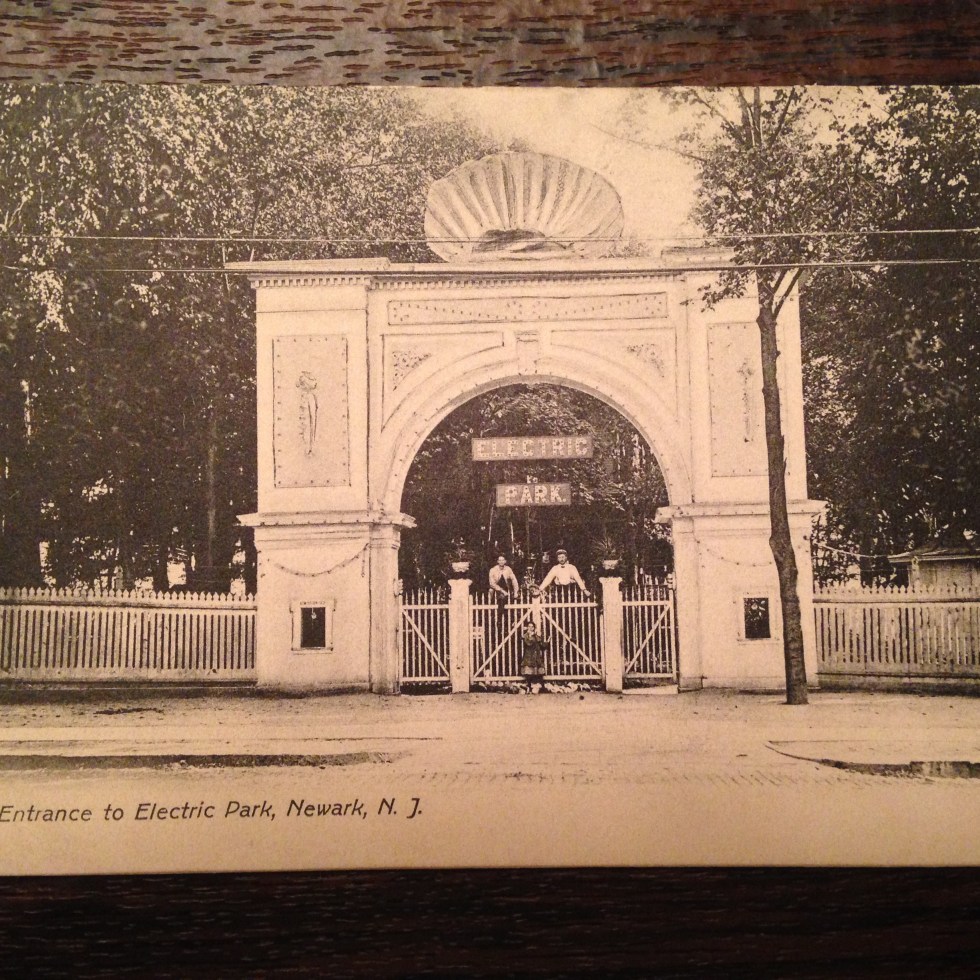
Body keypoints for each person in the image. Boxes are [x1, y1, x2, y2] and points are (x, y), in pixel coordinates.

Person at [520, 623, 548, 693]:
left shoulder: (536, 636)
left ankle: (543, 687)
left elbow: (541, 645)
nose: (531, 628)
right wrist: (530, 636)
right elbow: (528, 643)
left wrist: (547, 642)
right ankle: (529, 687)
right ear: (527, 627)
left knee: (540, 672)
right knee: (528, 673)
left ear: (534, 628)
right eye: (529, 626)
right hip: (529, 656)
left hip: (536, 656)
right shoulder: (525, 636)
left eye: (532, 627)